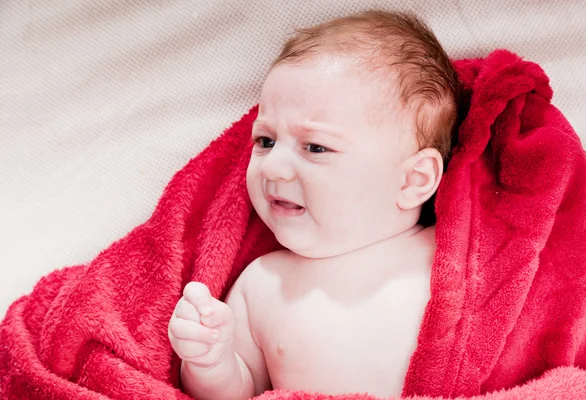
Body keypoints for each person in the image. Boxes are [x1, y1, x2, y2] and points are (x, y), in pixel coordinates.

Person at [168, 9, 460, 399]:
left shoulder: (453, 258)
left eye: (316, 147)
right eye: (265, 141)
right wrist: (210, 361)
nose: (273, 166)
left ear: (414, 179)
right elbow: (239, 392)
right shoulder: (262, 284)